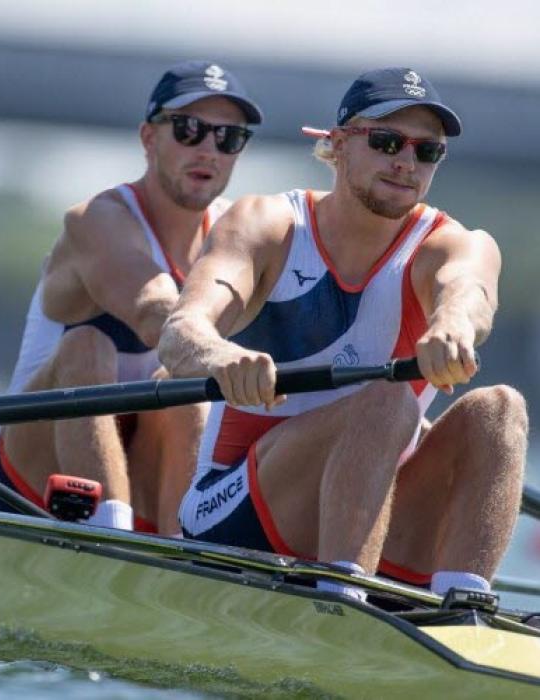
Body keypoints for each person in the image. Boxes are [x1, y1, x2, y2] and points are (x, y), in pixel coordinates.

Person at [158, 67, 528, 598]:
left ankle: (464, 607)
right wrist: (219, 357)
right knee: (387, 402)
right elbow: (181, 331)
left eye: (428, 151)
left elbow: (468, 295)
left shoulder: (455, 245)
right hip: (234, 512)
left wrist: (451, 325)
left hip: (372, 504)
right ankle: (340, 600)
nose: (406, 162)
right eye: (386, 141)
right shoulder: (268, 225)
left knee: (501, 409)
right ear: (336, 145)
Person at [0, 60, 263, 535]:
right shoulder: (97, 221)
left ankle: (180, 554)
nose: (209, 149)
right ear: (149, 138)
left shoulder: (239, 237)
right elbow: (158, 317)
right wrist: (236, 360)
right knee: (87, 346)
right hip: (25, 480)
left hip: (149, 472)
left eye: (228, 138)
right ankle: (112, 534)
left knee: (183, 391)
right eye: (189, 130)